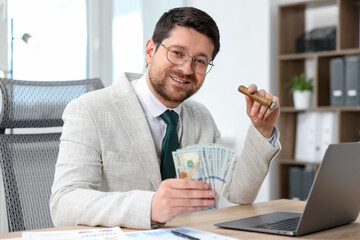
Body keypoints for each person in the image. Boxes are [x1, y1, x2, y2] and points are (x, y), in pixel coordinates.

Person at [50, 6, 281, 230]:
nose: (187, 69)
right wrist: (150, 207)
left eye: (200, 61)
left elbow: (239, 193)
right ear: (150, 51)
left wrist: (263, 130)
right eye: (177, 53)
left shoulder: (201, 117)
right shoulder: (89, 110)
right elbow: (64, 203)